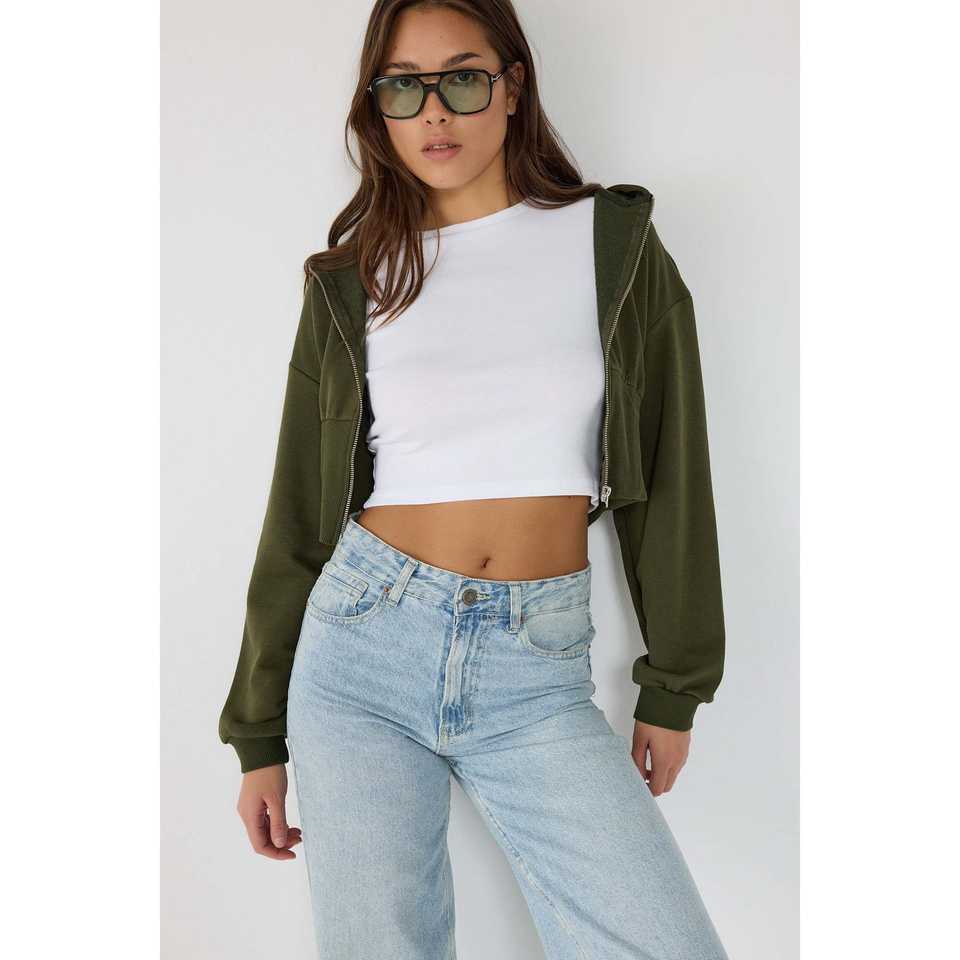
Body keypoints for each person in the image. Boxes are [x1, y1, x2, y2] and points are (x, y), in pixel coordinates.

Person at [218, 1, 728, 957]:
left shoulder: (611, 244)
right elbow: (299, 514)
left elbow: (671, 473)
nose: (434, 113)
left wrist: (677, 682)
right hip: (361, 652)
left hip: (535, 668)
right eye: (402, 88)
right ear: (377, 106)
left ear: (513, 85)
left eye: (462, 78)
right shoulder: (354, 277)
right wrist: (258, 734)